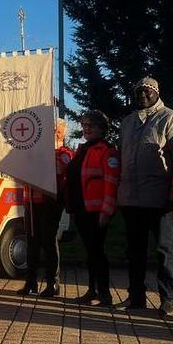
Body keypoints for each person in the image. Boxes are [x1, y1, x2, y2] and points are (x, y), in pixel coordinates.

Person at [117, 77, 173, 315]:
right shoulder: (127, 122)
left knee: (164, 250)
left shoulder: (171, 118)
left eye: (147, 91)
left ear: (157, 93)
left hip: (160, 199)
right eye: (138, 91)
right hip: (131, 199)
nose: (143, 95)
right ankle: (135, 296)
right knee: (134, 251)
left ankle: (168, 299)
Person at [66, 111, 119, 306]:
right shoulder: (83, 149)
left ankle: (105, 295)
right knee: (90, 252)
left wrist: (107, 211)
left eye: (91, 125)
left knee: (97, 252)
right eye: (84, 125)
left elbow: (111, 182)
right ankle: (92, 290)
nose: (86, 128)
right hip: (81, 209)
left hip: (96, 211)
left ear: (101, 128)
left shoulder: (107, 151)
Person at [18, 118, 74, 297]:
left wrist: (43, 157)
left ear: (63, 135)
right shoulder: (36, 152)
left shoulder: (65, 153)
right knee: (32, 241)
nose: (54, 134)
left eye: (58, 131)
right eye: (52, 131)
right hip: (31, 201)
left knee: (49, 242)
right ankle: (31, 282)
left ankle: (53, 284)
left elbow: (58, 170)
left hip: (50, 202)